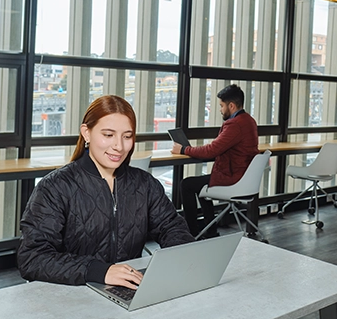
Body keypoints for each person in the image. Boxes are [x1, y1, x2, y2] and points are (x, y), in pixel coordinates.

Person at [17, 95, 193, 289]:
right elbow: (32, 258)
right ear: (86, 133)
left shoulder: (145, 184)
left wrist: (182, 255)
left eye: (127, 136)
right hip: (71, 293)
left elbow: (172, 228)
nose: (119, 146)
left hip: (126, 290)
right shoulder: (55, 187)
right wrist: (99, 271)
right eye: (108, 135)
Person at [171, 84, 259, 237]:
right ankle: (210, 230)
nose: (220, 110)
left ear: (231, 106)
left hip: (233, 178)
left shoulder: (235, 125)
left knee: (186, 184)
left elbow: (211, 150)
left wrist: (184, 150)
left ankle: (191, 232)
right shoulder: (249, 121)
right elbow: (218, 148)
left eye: (221, 106)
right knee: (202, 184)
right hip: (243, 177)